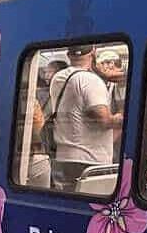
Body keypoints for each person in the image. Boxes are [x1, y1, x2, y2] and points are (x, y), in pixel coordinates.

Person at [49, 45, 122, 191]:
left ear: (68, 55)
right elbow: (104, 121)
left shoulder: (58, 78)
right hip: (89, 162)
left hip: (63, 158)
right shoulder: (90, 81)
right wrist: (123, 115)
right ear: (93, 52)